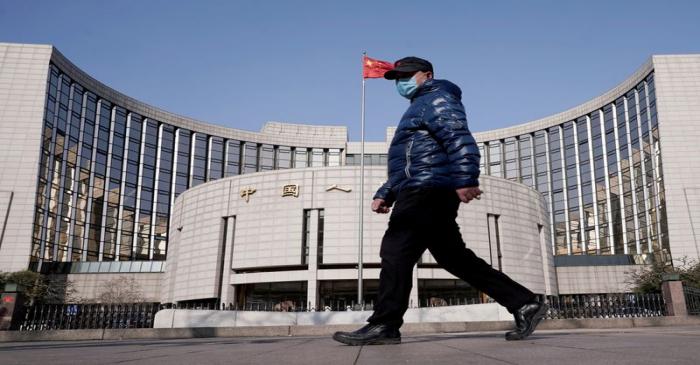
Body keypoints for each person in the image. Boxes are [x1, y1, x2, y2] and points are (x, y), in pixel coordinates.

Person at [332, 57, 547, 346]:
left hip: (427, 191)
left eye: (407, 75)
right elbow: (411, 162)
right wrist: (387, 192)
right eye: (397, 77)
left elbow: (458, 137)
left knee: (396, 252)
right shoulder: (420, 105)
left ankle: (384, 324)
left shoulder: (437, 98)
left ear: (427, 75)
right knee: (454, 258)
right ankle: (524, 303)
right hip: (424, 187)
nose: (401, 82)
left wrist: (466, 178)